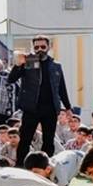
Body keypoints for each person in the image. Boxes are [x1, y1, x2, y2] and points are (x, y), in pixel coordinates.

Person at [7, 35, 71, 166]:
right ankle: (21, 166)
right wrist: (18, 65)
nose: (39, 49)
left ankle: (44, 167)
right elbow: (11, 79)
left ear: (48, 47)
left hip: (50, 109)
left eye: (43, 46)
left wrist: (68, 107)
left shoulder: (55, 66)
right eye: (36, 47)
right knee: (25, 139)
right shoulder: (29, 62)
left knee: (48, 140)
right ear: (33, 48)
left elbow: (61, 88)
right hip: (31, 108)